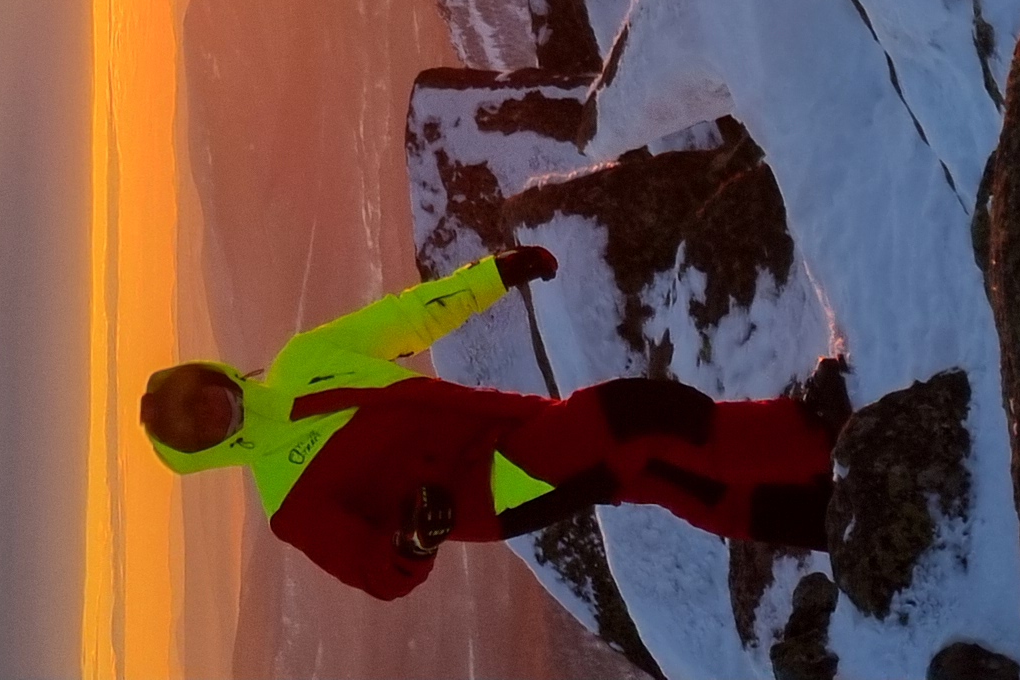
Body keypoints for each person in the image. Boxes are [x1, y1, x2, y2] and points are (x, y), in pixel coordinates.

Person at [141, 248, 840, 604]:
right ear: (203, 451)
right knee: (637, 416)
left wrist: (495, 274)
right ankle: (814, 433)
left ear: (207, 375)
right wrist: (414, 542)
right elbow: (375, 572)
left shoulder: (302, 361)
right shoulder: (287, 502)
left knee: (648, 471)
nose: (208, 411)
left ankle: (817, 514)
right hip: (495, 486)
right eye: (193, 427)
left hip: (510, 425)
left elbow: (406, 318)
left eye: (195, 396)